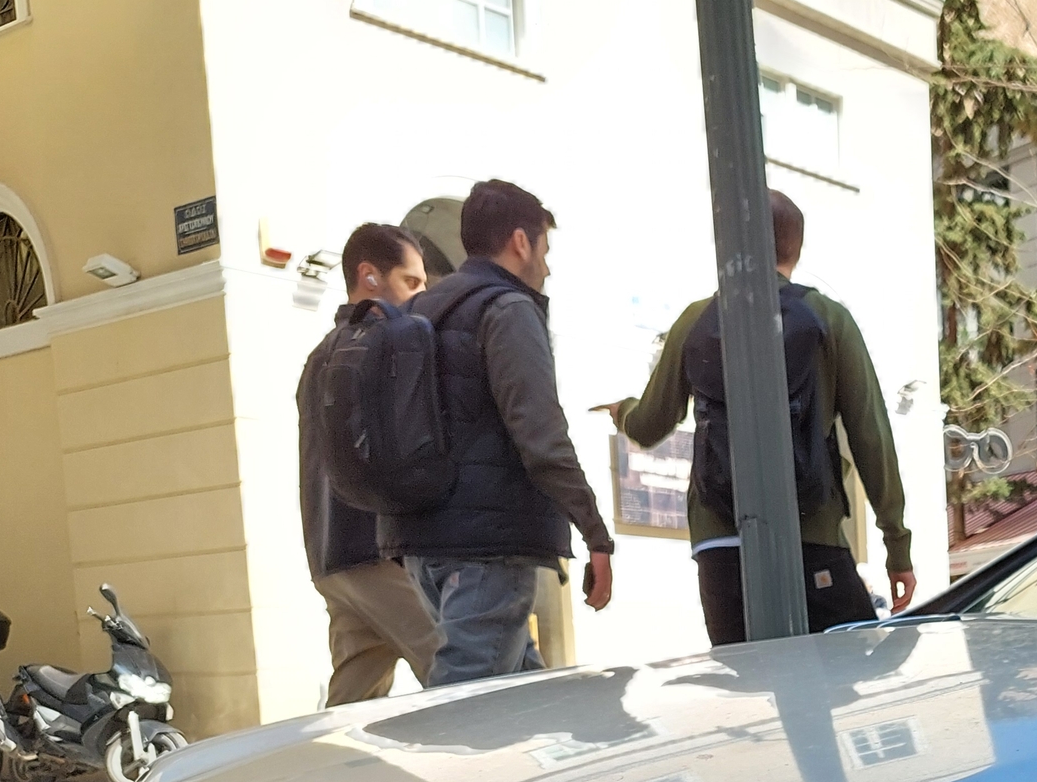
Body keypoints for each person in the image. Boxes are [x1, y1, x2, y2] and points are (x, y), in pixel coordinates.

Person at [606, 191, 914, 645]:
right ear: (797, 247)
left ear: (730, 243)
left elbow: (651, 424)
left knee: (749, 683)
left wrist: (623, 412)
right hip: (810, 532)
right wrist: (896, 545)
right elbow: (871, 435)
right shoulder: (828, 318)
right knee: (850, 673)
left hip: (719, 542)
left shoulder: (695, 320)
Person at [382, 179, 614, 685]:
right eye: (545, 249)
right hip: (488, 545)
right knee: (466, 708)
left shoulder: (422, 311)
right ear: (520, 242)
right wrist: (595, 533)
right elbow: (542, 437)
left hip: (423, 542)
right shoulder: (507, 309)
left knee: (524, 698)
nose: (547, 267)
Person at [299, 223, 441, 704]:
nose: (421, 295)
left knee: (353, 702)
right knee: (458, 669)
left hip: (330, 553)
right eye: (413, 281)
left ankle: (323, 778)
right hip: (373, 549)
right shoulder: (380, 344)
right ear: (370, 276)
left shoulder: (322, 355)